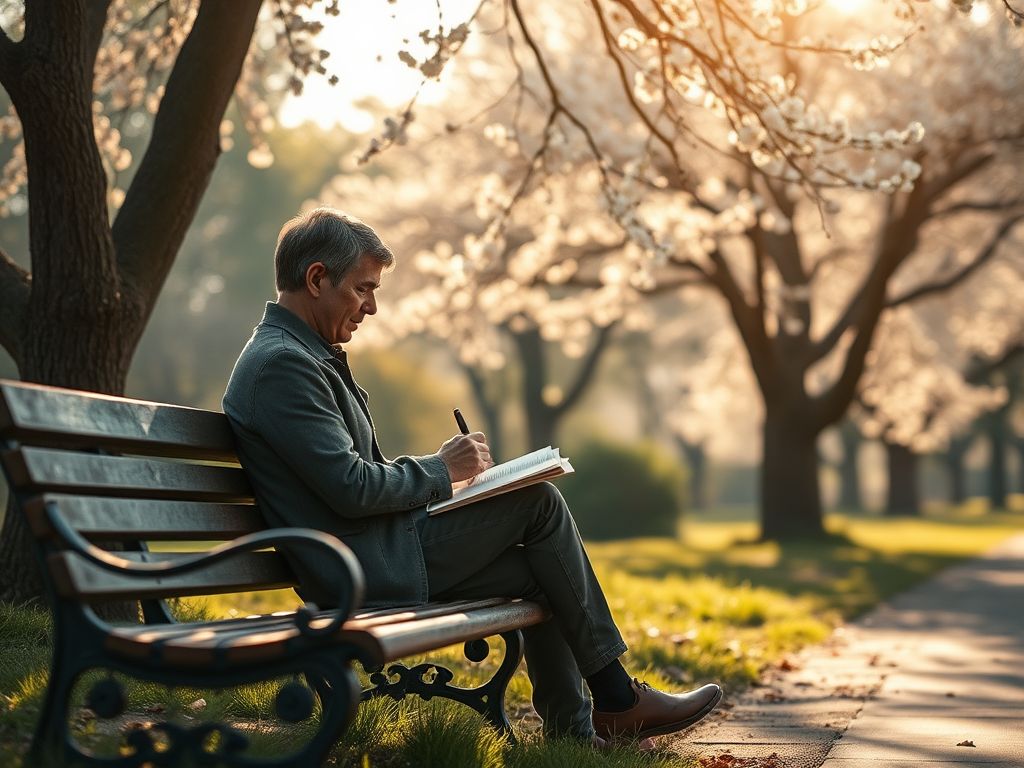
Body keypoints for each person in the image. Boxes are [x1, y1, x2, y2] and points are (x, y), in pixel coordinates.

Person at [222, 207, 722, 746]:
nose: (371, 307)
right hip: (360, 570)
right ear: (317, 279)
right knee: (539, 504)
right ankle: (618, 699)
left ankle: (575, 734)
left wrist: (447, 480)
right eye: (363, 289)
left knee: (542, 565)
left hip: (374, 552)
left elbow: (346, 478)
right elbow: (350, 487)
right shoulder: (284, 365)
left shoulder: (301, 355)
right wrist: (443, 470)